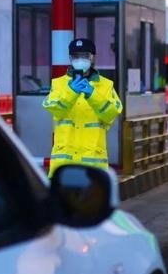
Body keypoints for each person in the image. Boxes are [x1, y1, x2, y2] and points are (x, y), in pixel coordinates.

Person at [42, 38, 123, 177]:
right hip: (63, 167)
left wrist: (93, 94)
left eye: (85, 56)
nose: (80, 60)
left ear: (92, 58)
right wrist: (71, 92)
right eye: (75, 56)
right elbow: (55, 109)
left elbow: (111, 114)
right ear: (70, 58)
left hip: (93, 167)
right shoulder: (58, 84)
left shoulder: (106, 86)